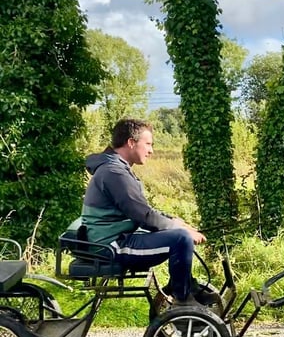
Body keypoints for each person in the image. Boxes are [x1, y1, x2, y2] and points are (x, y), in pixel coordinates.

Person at [80, 118, 214, 309]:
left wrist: (177, 222)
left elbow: (142, 210)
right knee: (180, 239)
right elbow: (143, 216)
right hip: (111, 245)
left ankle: (182, 288)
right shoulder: (114, 172)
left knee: (180, 234)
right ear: (131, 142)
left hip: (115, 237)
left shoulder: (116, 168)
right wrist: (180, 230)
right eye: (148, 144)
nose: (151, 151)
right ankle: (183, 302)